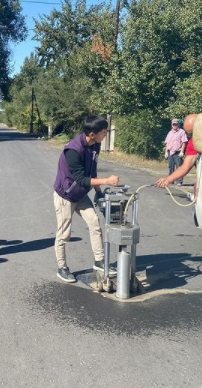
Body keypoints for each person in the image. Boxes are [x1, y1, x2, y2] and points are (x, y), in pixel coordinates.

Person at [53, 115, 120, 283]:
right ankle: (62, 267)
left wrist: (99, 192)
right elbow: (81, 179)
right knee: (64, 234)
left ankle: (99, 261)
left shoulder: (95, 145)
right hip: (66, 195)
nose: (106, 134)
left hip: (81, 194)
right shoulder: (73, 151)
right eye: (104, 132)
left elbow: (92, 171)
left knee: (94, 223)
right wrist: (106, 182)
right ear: (92, 134)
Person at [164, 118, 188, 186]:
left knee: (179, 167)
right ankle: (171, 180)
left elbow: (184, 142)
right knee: (170, 167)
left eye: (176, 124)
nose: (174, 125)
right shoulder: (170, 132)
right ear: (172, 125)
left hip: (178, 152)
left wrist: (182, 151)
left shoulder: (181, 132)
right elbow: (167, 143)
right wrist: (166, 152)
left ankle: (179, 181)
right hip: (170, 152)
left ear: (178, 124)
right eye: (173, 124)